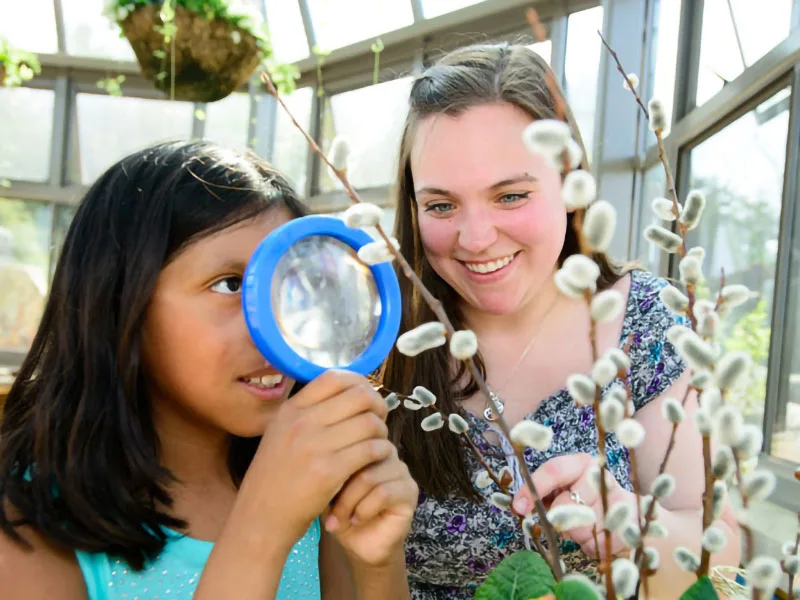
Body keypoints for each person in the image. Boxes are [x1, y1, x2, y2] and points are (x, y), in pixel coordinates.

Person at [381, 43, 741, 598]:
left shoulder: (648, 322)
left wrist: (628, 526)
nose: (475, 239)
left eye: (511, 195)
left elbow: (719, 549)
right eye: (441, 206)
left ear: (570, 183)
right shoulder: (383, 338)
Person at [0, 140, 418, 599]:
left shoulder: (321, 488)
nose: (273, 326)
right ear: (119, 303)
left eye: (290, 283)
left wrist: (378, 563)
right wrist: (263, 523)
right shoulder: (25, 526)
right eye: (230, 284)